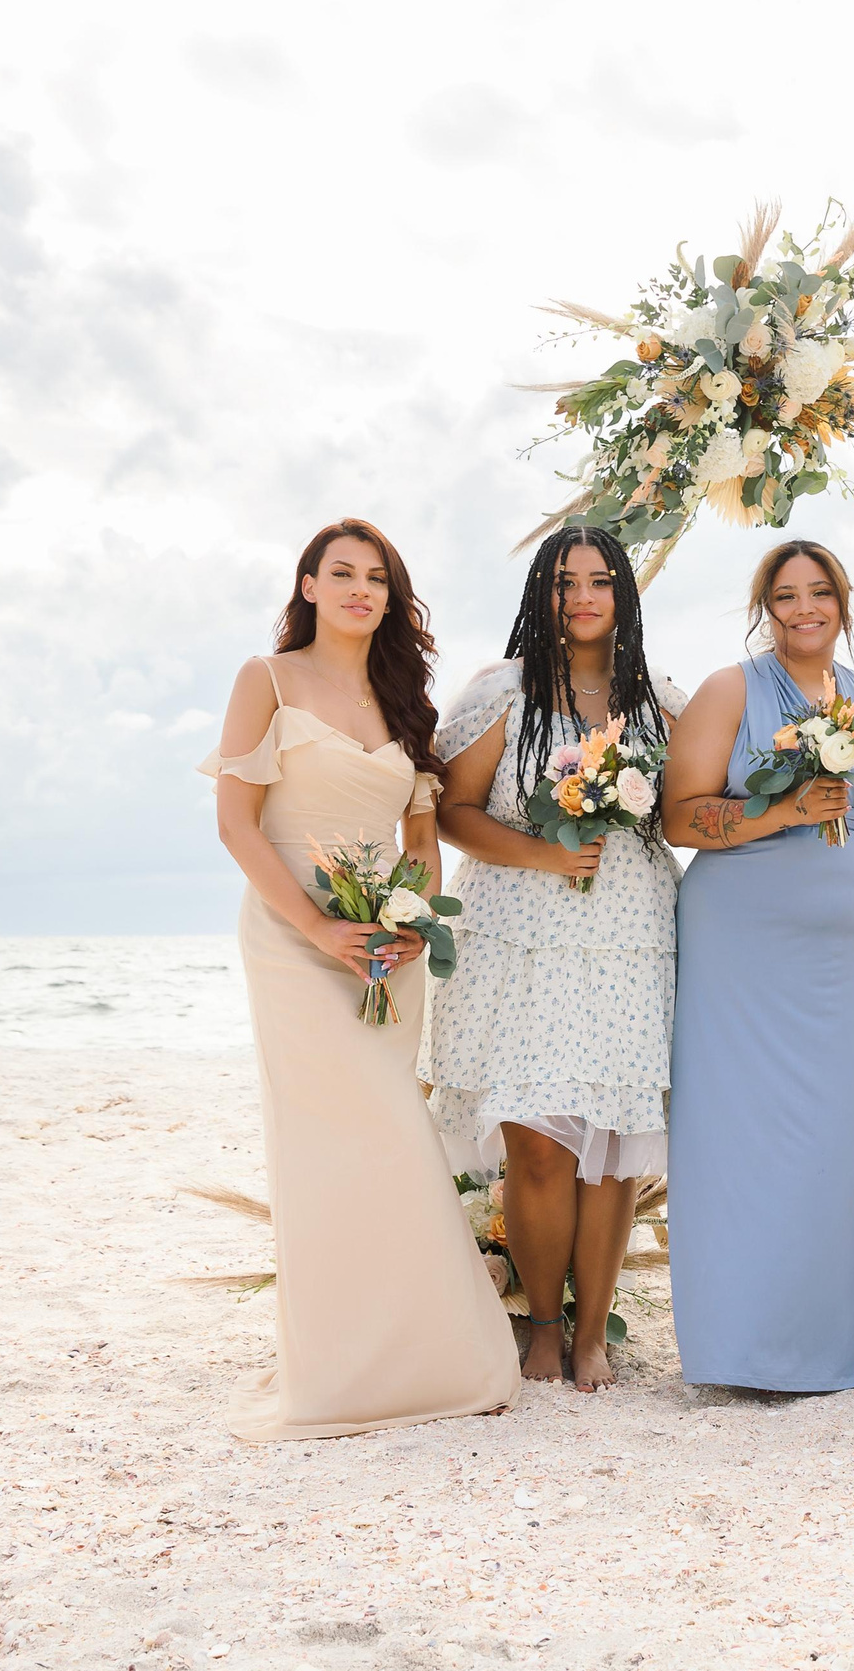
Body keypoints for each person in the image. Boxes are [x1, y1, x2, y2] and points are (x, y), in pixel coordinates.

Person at [199, 518, 518, 1440]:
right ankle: (338, 1369)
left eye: (376, 578)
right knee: (325, 1144)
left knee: (390, 1135)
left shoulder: (401, 695)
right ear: (307, 586)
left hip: (386, 947)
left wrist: (412, 920)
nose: (359, 590)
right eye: (340, 573)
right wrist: (317, 927)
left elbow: (419, 834)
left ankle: (427, 1356)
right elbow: (236, 824)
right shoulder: (265, 680)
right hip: (294, 940)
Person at [421, 525, 685, 1391]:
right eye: (564, 582)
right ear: (541, 593)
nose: (582, 597)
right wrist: (544, 852)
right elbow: (452, 810)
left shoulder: (658, 700)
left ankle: (593, 1335)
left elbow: (692, 806)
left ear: (623, 594)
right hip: (519, 943)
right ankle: (542, 1324)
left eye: (599, 581)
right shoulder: (502, 692)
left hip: (627, 940)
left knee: (611, 1146)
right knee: (537, 1145)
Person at [661, 540, 854, 1392]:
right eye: (787, 595)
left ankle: (825, 1344)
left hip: (848, 957)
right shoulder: (731, 689)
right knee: (737, 1137)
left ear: (843, 600)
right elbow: (679, 818)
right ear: (765, 608)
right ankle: (739, 1347)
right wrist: (786, 811)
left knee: (837, 1140)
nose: (806, 608)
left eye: (820, 592)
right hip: (743, 948)